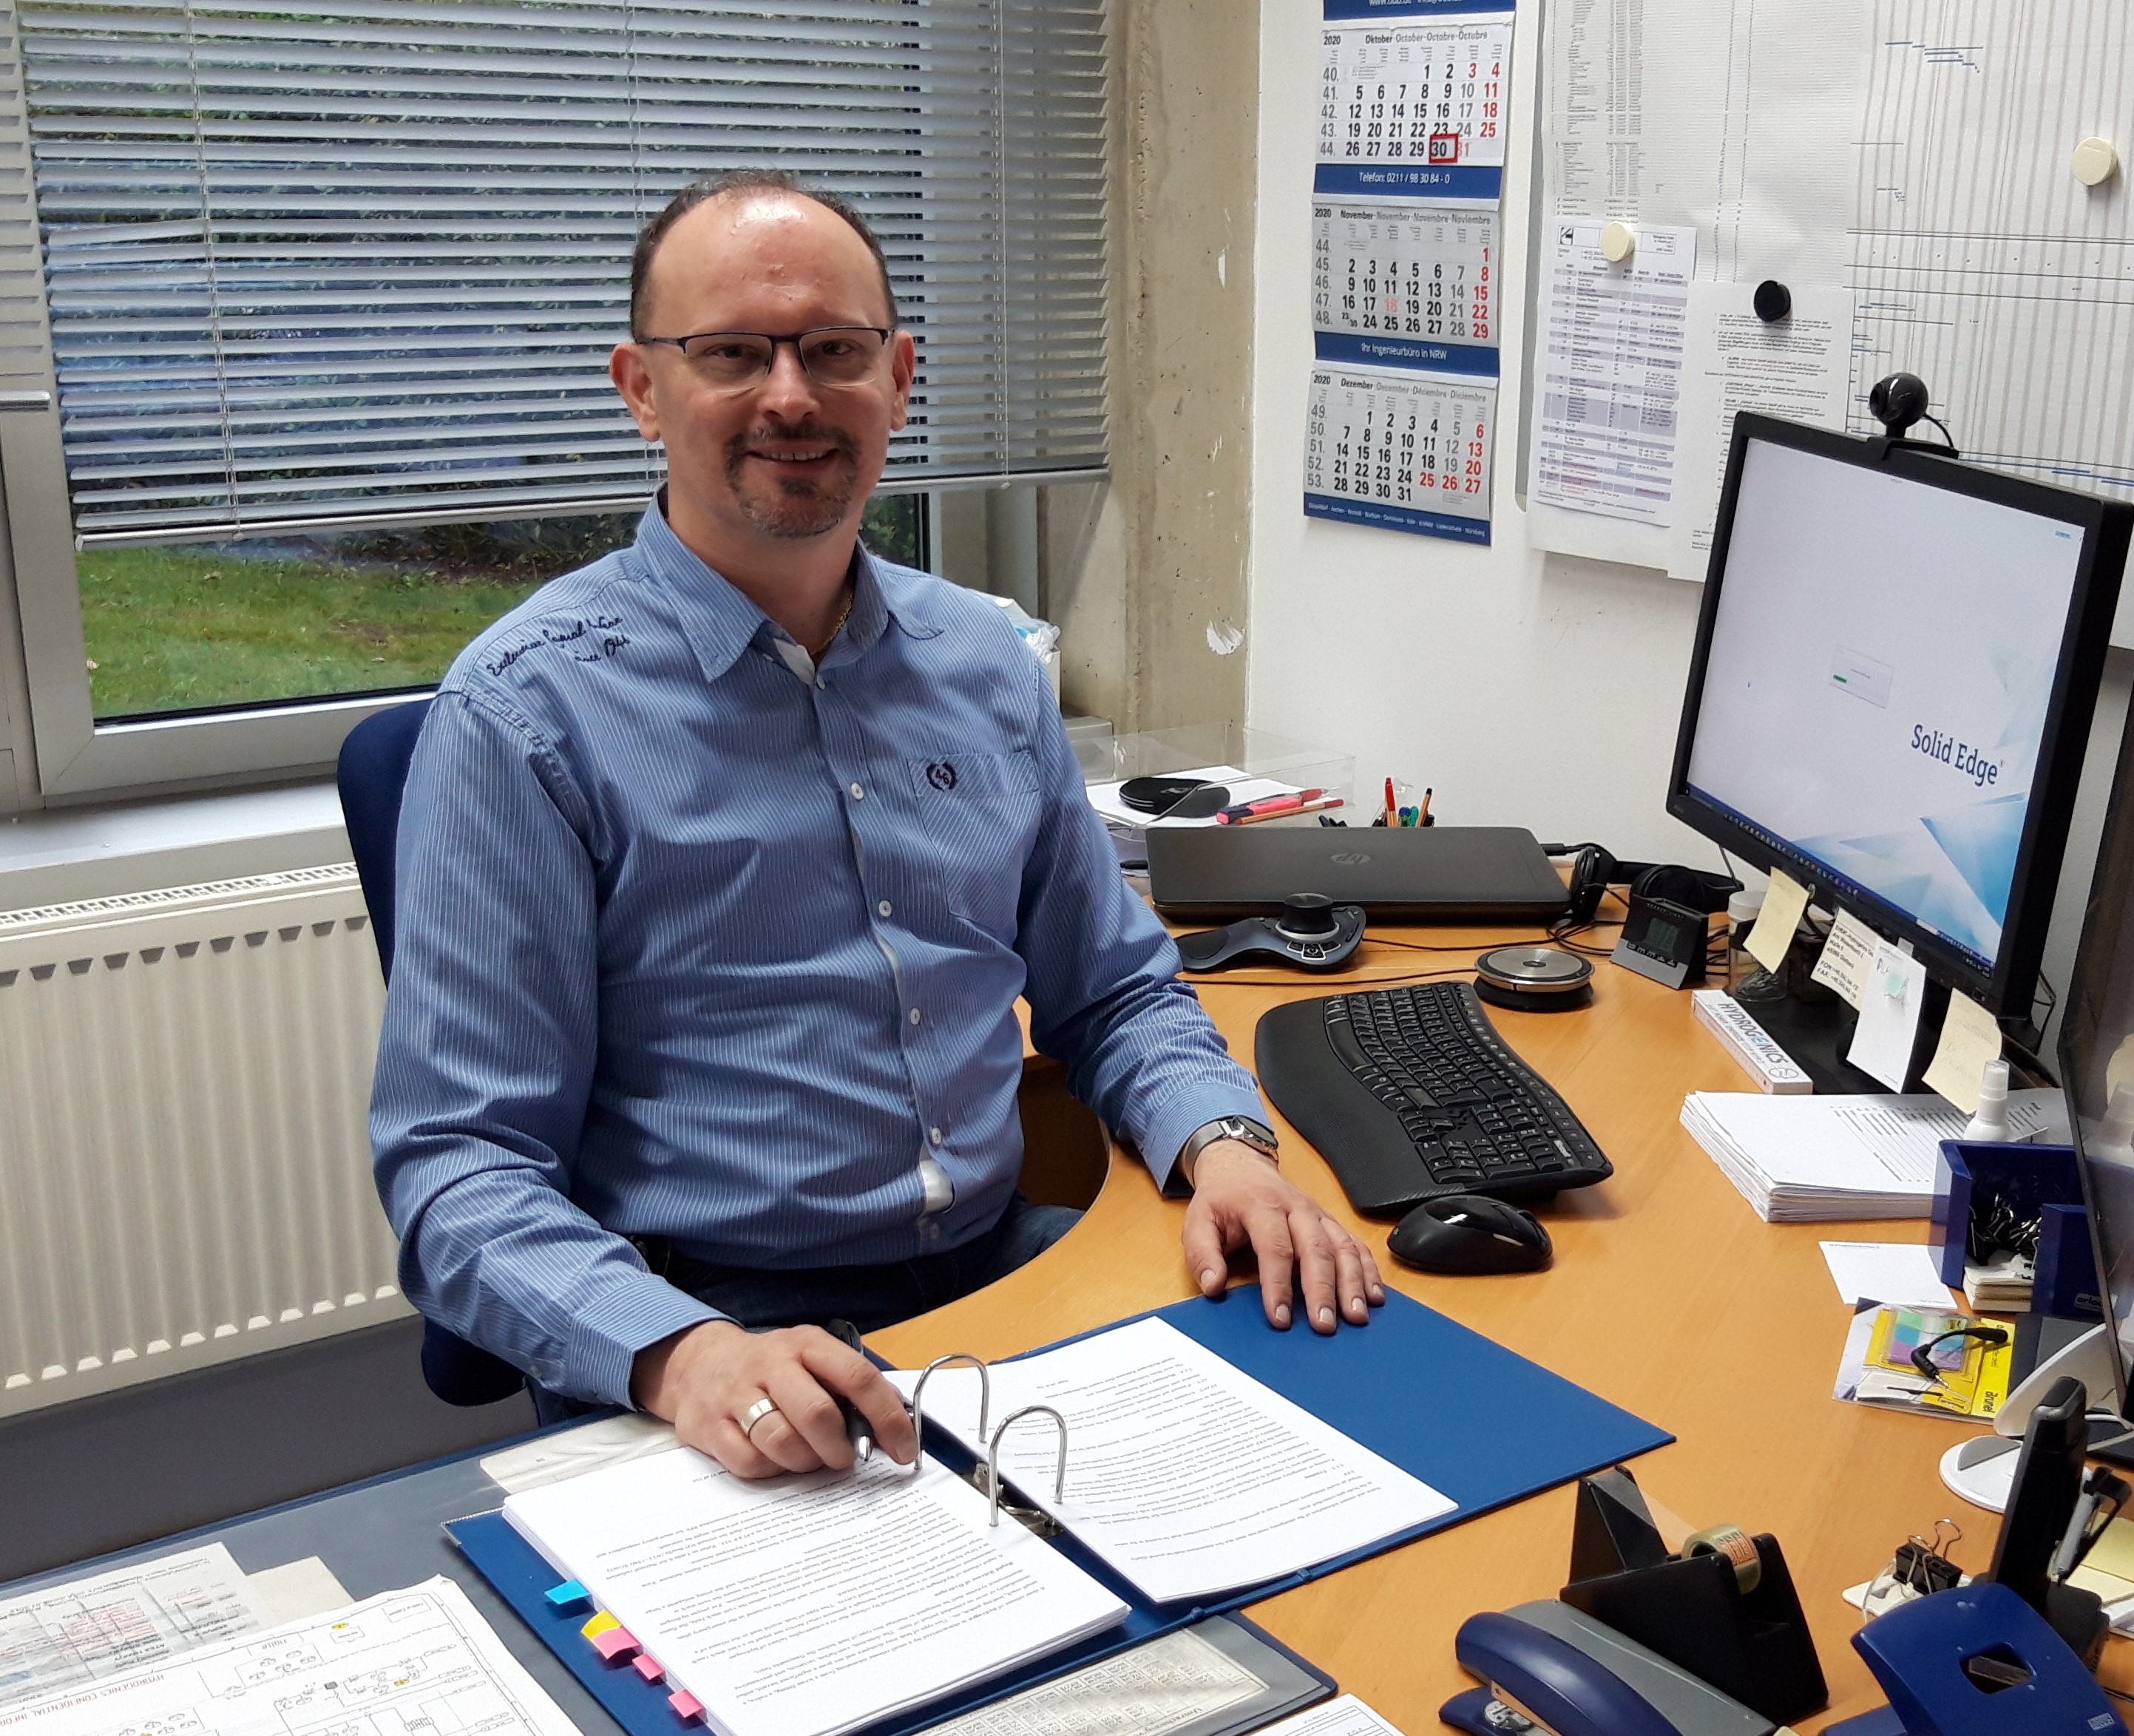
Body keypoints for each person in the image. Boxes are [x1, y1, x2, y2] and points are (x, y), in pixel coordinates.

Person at [369, 169, 1379, 1482]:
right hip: (707, 1337)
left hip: (1000, 1282)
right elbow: (461, 1174)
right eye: (731, 353)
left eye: (834, 351)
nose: (790, 395)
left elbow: (1115, 990)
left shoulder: (986, 662)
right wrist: (681, 1354)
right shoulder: (523, 716)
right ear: (641, 388)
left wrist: (1223, 1147)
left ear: (898, 378)